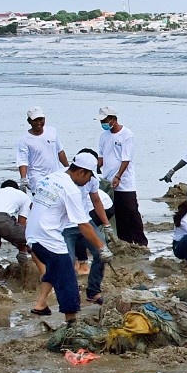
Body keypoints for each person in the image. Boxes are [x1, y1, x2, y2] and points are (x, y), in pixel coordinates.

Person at [25, 156, 111, 323]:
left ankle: (40, 305)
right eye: (89, 177)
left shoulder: (51, 177)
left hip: (32, 235)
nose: (88, 182)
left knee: (55, 268)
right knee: (68, 279)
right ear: (81, 172)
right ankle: (71, 322)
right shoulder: (71, 189)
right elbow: (84, 226)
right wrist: (102, 248)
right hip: (48, 237)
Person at [96, 107, 147, 246]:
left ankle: (141, 242)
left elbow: (126, 159)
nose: (103, 123)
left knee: (131, 211)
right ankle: (125, 241)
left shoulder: (126, 134)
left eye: (105, 120)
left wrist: (118, 176)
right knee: (118, 213)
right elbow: (101, 158)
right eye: (101, 121)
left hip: (125, 181)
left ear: (113, 119)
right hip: (108, 181)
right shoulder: (103, 136)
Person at [15, 108, 67, 187]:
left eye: (41, 119)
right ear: (29, 121)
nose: (39, 123)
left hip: (55, 176)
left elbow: (60, 151)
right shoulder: (24, 139)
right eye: (35, 120)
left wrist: (68, 168)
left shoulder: (52, 132)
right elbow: (23, 161)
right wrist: (23, 179)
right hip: (37, 178)